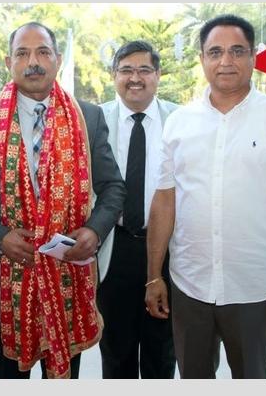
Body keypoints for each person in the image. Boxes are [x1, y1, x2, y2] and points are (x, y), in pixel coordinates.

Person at [145, 14, 266, 379]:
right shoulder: (179, 122)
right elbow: (164, 201)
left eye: (237, 51)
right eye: (215, 52)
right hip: (190, 286)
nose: (226, 61)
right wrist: (153, 275)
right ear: (202, 59)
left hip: (254, 289)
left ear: (254, 56)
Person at [0, 21, 125, 379]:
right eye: (23, 53)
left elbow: (113, 187)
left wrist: (94, 231)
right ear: (8, 62)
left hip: (68, 272)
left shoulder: (87, 117)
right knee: (10, 375)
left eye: (43, 52)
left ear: (57, 59)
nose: (33, 62)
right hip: (6, 277)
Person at [97, 40, 176, 378]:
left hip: (169, 250)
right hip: (113, 250)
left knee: (162, 351)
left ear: (158, 74)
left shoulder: (181, 119)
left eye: (144, 70)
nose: (135, 78)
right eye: (126, 70)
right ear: (114, 75)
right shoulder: (95, 120)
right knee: (116, 353)